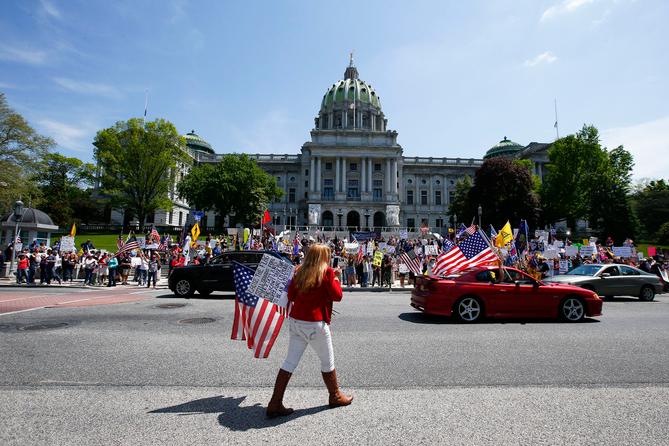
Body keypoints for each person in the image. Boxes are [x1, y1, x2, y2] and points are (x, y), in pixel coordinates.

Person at [266, 243, 352, 418]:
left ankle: (275, 402)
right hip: (315, 323)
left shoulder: (299, 271)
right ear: (323, 257)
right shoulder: (326, 272)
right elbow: (338, 296)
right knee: (328, 362)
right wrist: (336, 278)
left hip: (296, 321)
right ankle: (335, 396)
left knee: (289, 362)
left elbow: (291, 296)